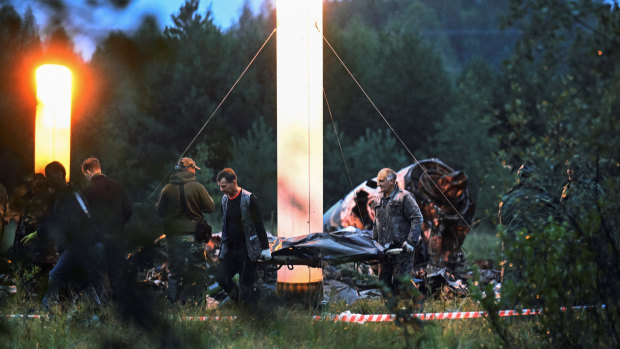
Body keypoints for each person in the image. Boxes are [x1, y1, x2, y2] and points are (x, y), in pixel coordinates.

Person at [37, 161, 102, 309]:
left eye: (49, 175)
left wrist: (39, 232)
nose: (48, 179)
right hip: (79, 245)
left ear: (60, 174)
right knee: (82, 282)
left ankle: (47, 307)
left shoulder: (70, 194)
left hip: (80, 245)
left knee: (56, 274)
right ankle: (98, 311)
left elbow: (76, 218)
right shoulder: (62, 196)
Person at [156, 157, 214, 304]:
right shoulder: (197, 187)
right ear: (189, 169)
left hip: (174, 237)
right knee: (199, 272)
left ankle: (171, 307)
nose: (195, 171)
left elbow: (159, 211)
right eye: (194, 168)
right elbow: (210, 207)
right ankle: (199, 307)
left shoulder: (167, 189)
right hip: (194, 237)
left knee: (175, 273)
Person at [215, 168, 271, 305]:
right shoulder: (224, 201)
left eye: (224, 186)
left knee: (246, 284)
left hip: (248, 250)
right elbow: (225, 226)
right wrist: (223, 249)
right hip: (231, 250)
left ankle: (248, 310)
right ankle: (240, 302)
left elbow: (259, 224)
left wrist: (265, 248)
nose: (221, 189)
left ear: (233, 182)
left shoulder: (249, 198)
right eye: (220, 186)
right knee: (221, 277)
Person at [81, 157, 133, 302]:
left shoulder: (86, 192)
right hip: (117, 238)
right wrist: (119, 225)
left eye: (85, 175)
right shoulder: (118, 187)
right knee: (116, 273)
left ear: (88, 171)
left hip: (97, 240)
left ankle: (105, 307)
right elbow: (128, 211)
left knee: (100, 273)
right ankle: (118, 308)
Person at [371, 168, 423, 301]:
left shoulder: (404, 197)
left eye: (382, 181)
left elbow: (417, 218)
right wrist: (373, 244)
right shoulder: (377, 200)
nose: (378, 185)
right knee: (384, 283)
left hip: (402, 249)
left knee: (401, 283)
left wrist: (411, 241)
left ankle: (415, 306)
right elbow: (376, 225)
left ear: (392, 181)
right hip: (385, 250)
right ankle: (392, 314)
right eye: (378, 181)